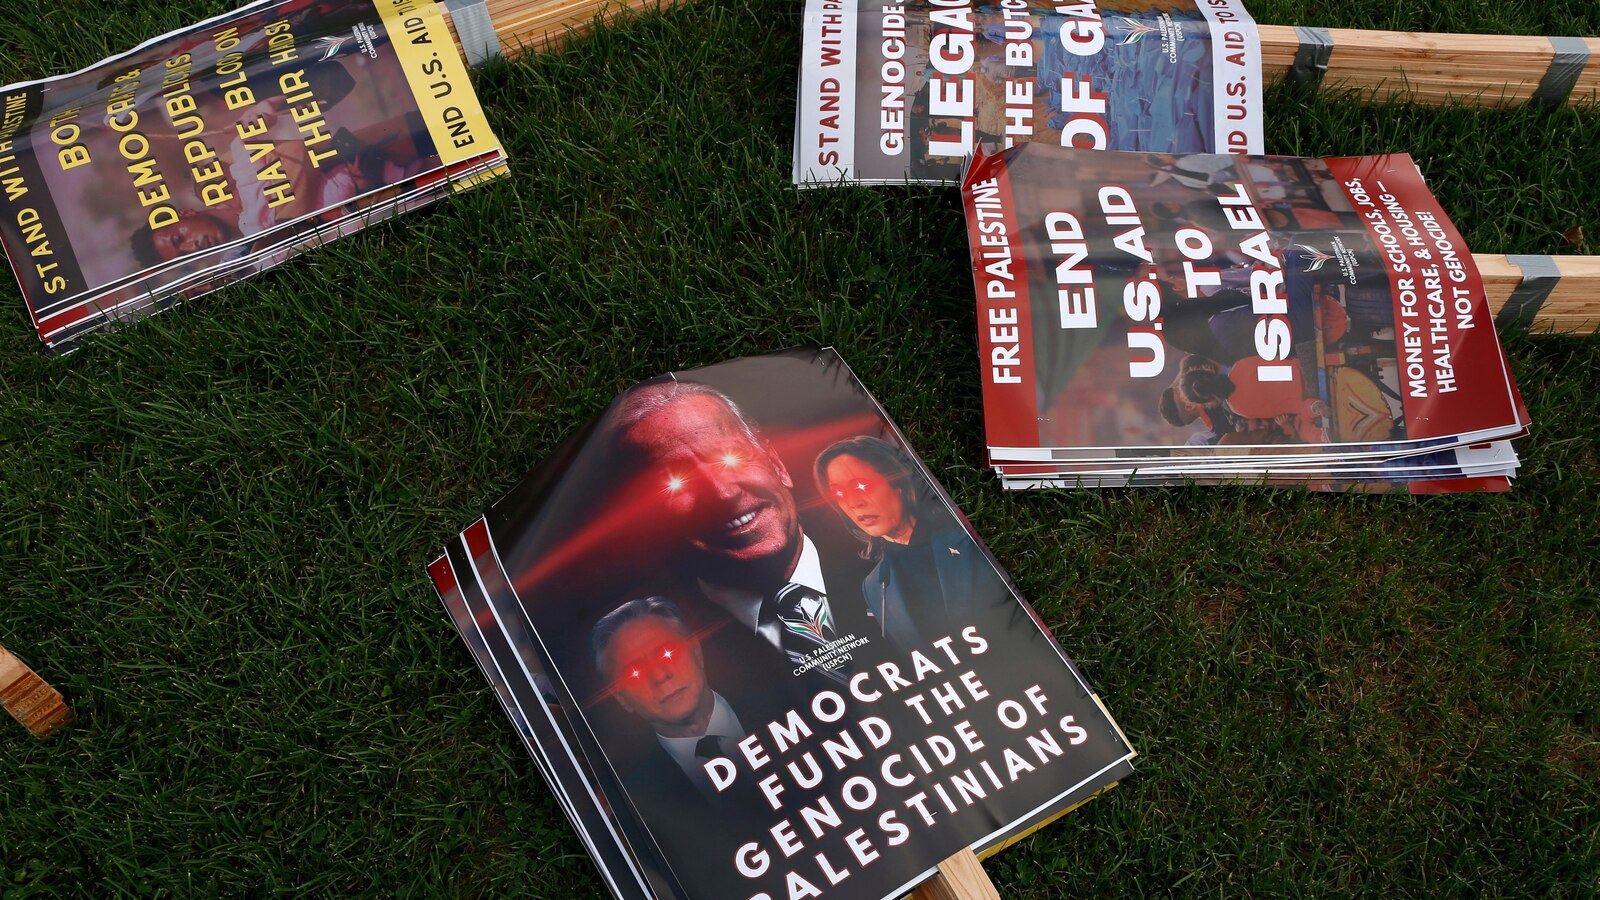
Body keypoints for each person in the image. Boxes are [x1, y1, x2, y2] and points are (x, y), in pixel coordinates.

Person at [603, 380, 867, 693]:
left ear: (776, 464)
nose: (722, 492)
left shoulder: (898, 551)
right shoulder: (673, 668)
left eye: (732, 455)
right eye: (675, 482)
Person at [812, 436, 1013, 651]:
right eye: (839, 493)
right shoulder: (873, 587)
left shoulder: (967, 537)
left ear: (898, 482)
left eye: (861, 486)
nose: (853, 503)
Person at [591, 597, 747, 802]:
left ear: (697, 652)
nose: (659, 676)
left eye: (667, 653)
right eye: (635, 673)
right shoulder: (637, 799)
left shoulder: (793, 698)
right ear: (622, 698)